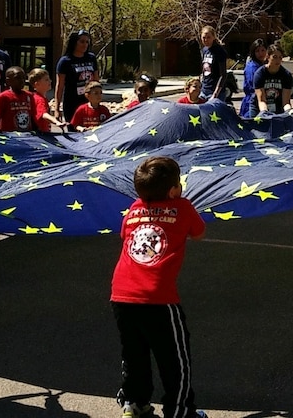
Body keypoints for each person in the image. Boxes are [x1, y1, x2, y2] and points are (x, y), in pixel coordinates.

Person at [111, 156, 208, 418]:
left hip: (122, 294)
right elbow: (199, 233)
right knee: (175, 360)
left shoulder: (133, 209)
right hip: (158, 298)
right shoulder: (183, 207)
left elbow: (125, 235)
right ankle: (180, 411)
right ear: (173, 189)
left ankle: (134, 402)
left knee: (134, 353)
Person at [54, 30, 100, 122]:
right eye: (82, 41)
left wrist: (98, 100)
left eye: (87, 42)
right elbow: (60, 85)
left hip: (89, 101)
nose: (85, 45)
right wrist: (57, 109)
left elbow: (96, 81)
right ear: (74, 42)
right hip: (72, 102)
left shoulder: (91, 58)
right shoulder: (65, 61)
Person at [0, 66, 35, 132]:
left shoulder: (29, 96)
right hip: (9, 136)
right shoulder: (3, 97)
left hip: (27, 135)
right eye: (18, 78)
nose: (22, 81)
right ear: (8, 81)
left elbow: (33, 116)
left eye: (23, 78)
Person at [254, 45, 293, 114]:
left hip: (278, 107)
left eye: (280, 57)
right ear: (268, 57)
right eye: (274, 57)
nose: (278, 60)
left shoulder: (286, 75)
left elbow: (286, 102)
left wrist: (289, 112)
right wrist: (264, 113)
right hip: (259, 108)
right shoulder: (260, 74)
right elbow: (261, 100)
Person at [198, 26, 229, 102]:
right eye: (204, 37)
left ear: (213, 37)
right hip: (204, 89)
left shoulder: (219, 51)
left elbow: (223, 75)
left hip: (215, 91)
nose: (206, 40)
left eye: (208, 37)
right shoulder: (205, 50)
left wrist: (215, 94)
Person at [239, 39, 268, 118]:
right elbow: (253, 87)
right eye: (257, 51)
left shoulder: (265, 65)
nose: (260, 53)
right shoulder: (252, 67)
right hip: (252, 102)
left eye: (263, 50)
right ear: (253, 52)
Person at [28, 68, 56, 133]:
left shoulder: (37, 97)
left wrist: (49, 104)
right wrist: (56, 122)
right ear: (37, 84)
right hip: (41, 133)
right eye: (46, 80)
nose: (50, 81)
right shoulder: (40, 99)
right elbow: (43, 114)